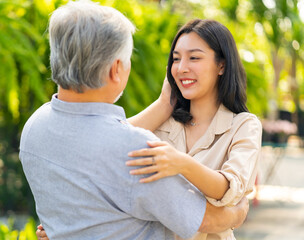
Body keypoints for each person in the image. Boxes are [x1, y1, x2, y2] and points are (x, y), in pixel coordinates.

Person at [20, 1, 249, 240]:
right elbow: (208, 220)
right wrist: (239, 211)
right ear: (116, 69)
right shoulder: (137, 152)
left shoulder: (35, 127)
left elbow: (98, 142)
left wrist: (163, 105)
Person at [125, 19, 262, 240]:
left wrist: (181, 163)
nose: (181, 68)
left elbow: (229, 188)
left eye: (194, 58)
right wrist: (162, 105)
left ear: (222, 65)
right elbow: (108, 145)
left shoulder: (243, 126)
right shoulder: (163, 122)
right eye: (176, 59)